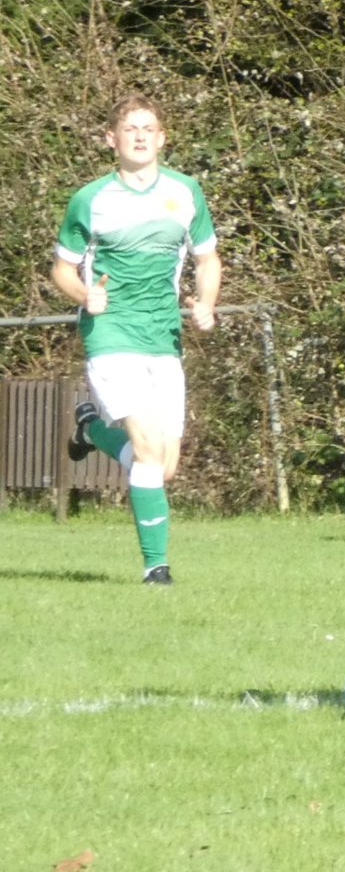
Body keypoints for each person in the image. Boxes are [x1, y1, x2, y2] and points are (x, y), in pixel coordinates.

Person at [52, 93, 221, 586]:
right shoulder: (90, 199)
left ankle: (92, 431)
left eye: (149, 128)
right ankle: (156, 569)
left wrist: (206, 302)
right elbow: (62, 268)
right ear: (112, 139)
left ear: (162, 138)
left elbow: (207, 259)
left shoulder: (186, 192)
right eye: (131, 128)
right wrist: (86, 294)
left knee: (163, 468)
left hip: (161, 335)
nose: (141, 136)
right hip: (111, 333)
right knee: (147, 450)